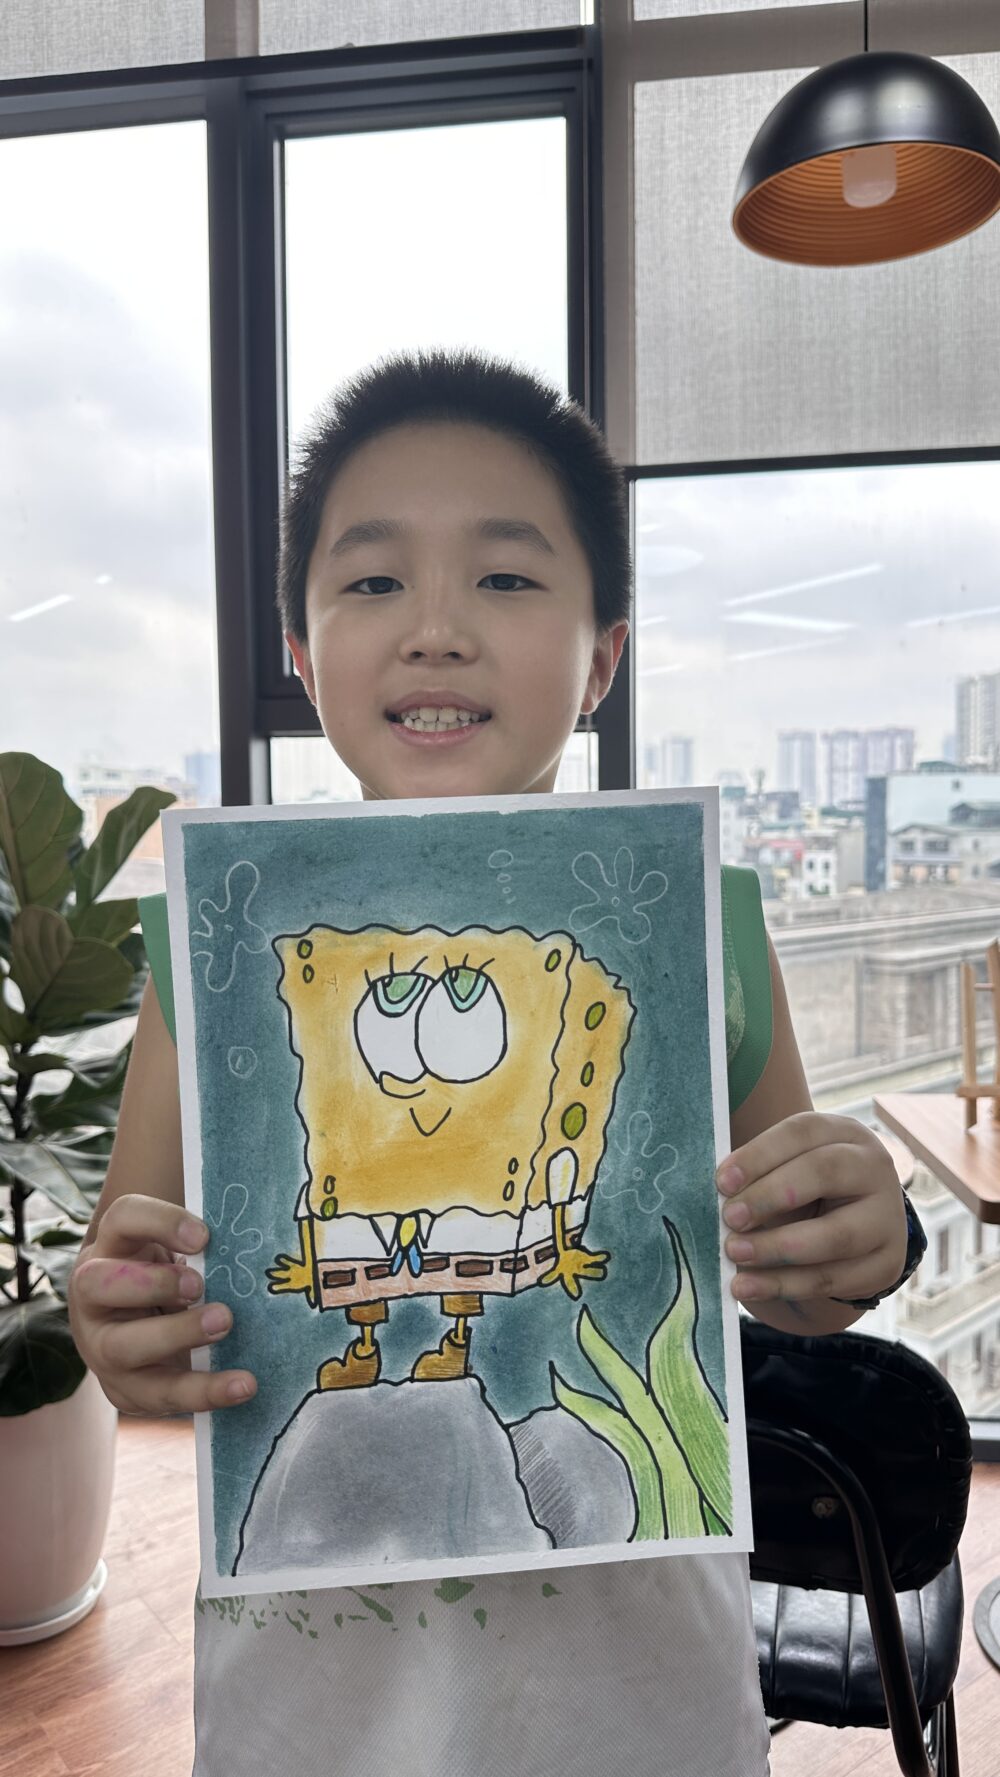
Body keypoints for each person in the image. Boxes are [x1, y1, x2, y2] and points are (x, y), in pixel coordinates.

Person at [68, 347, 914, 1777]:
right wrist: (123, 1332)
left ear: (603, 658)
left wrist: (855, 1235)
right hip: (314, 1697)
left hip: (636, 1688)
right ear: (301, 654)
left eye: (507, 577)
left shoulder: (699, 922)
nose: (436, 630)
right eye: (373, 581)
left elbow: (804, 1283)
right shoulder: (208, 946)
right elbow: (130, 1276)